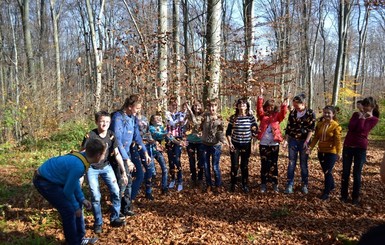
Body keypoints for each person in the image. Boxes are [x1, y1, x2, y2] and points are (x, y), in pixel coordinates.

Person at [33, 138, 106, 245]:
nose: (104, 156)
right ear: (98, 155)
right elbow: (68, 190)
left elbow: (73, 182)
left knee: (77, 205)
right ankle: (73, 242)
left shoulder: (83, 158)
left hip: (53, 179)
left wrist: (81, 199)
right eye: (103, 154)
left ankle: (80, 239)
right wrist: (76, 207)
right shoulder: (79, 165)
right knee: (70, 210)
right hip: (44, 181)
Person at [81, 111, 129, 234]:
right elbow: (82, 154)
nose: (104, 124)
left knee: (116, 191)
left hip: (106, 167)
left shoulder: (111, 135)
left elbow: (117, 153)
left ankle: (115, 217)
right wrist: (80, 174)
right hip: (91, 168)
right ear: (96, 122)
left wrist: (123, 171)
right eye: (102, 121)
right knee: (96, 196)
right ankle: (98, 223)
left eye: (107, 122)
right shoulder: (90, 135)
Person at [110, 94, 151, 216]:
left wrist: (145, 152)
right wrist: (126, 159)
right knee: (121, 181)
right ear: (129, 106)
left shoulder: (132, 118)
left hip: (127, 152)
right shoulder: (118, 117)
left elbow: (137, 136)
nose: (138, 111)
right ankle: (116, 211)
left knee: (128, 181)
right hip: (117, 153)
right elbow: (117, 140)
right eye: (137, 108)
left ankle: (126, 207)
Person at [340, 96, 379, 205]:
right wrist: (361, 117)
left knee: (357, 173)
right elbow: (351, 127)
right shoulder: (355, 115)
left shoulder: (374, 119)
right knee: (345, 172)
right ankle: (343, 196)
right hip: (348, 146)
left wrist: (363, 119)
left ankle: (355, 197)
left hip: (360, 148)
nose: (365, 107)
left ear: (372, 106)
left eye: (368, 105)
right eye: (364, 105)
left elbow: (363, 130)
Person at [256, 88, 288, 193]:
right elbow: (259, 109)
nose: (270, 108)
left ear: (274, 108)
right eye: (268, 106)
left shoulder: (277, 117)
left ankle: (275, 184)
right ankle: (264, 184)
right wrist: (260, 96)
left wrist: (284, 104)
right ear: (265, 107)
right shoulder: (262, 116)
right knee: (264, 164)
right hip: (264, 144)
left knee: (274, 164)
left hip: (274, 144)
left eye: (272, 107)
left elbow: (283, 113)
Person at [284, 93, 316, 194]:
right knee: (291, 162)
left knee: (303, 163)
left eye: (297, 106)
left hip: (304, 140)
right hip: (293, 140)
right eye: (294, 106)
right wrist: (286, 140)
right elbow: (288, 128)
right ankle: (289, 184)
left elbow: (311, 129)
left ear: (303, 104)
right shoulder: (293, 113)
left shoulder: (310, 113)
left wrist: (307, 142)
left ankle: (304, 184)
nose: (296, 108)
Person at [308, 106, 342, 200]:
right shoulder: (320, 124)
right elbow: (316, 138)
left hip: (331, 152)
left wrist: (339, 152)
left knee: (328, 172)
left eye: (329, 113)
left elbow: (338, 140)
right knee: (326, 171)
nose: (326, 114)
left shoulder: (336, 126)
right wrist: (310, 148)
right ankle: (331, 185)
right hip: (321, 151)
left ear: (333, 114)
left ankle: (326, 192)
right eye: (325, 112)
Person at [226, 97, 258, 193]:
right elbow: (228, 132)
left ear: (247, 106)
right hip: (235, 144)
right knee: (234, 166)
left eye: (244, 104)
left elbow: (255, 131)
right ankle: (233, 184)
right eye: (240, 104)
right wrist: (230, 144)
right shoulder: (233, 117)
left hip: (246, 144)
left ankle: (245, 184)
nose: (241, 106)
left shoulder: (251, 117)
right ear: (237, 106)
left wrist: (254, 143)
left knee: (244, 165)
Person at [201, 98, 228, 192]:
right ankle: (209, 184)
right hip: (205, 144)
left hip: (216, 145)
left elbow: (220, 132)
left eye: (214, 106)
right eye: (211, 106)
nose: (212, 108)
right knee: (206, 165)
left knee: (215, 166)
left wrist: (224, 141)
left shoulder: (219, 118)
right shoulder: (204, 116)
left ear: (217, 107)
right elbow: (198, 125)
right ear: (208, 107)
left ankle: (218, 185)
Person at [165, 97, 186, 191]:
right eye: (172, 105)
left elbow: (183, 122)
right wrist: (178, 123)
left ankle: (180, 180)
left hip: (178, 138)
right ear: (169, 105)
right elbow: (172, 123)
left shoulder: (180, 113)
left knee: (177, 159)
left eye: (176, 105)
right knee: (171, 160)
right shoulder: (166, 114)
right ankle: (173, 178)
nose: (174, 106)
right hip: (169, 139)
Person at [136, 110, 157, 200]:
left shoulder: (145, 118)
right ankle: (135, 190)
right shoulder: (131, 119)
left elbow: (148, 132)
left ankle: (148, 191)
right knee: (136, 169)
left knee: (149, 168)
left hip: (147, 146)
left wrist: (152, 141)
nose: (138, 109)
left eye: (139, 108)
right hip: (136, 147)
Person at [185, 100, 204, 187]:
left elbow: (197, 124)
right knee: (191, 161)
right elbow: (185, 128)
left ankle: (200, 179)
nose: (197, 108)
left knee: (200, 161)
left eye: (198, 106)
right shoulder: (188, 116)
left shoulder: (203, 117)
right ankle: (193, 179)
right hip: (190, 141)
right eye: (195, 106)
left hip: (200, 142)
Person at [149, 113, 169, 194]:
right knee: (152, 172)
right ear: (152, 121)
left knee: (164, 169)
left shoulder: (161, 128)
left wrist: (178, 142)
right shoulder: (151, 128)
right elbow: (157, 134)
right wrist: (165, 134)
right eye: (156, 118)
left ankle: (164, 188)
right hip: (150, 151)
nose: (158, 120)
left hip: (158, 151)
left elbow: (168, 136)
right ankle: (149, 189)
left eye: (159, 118)